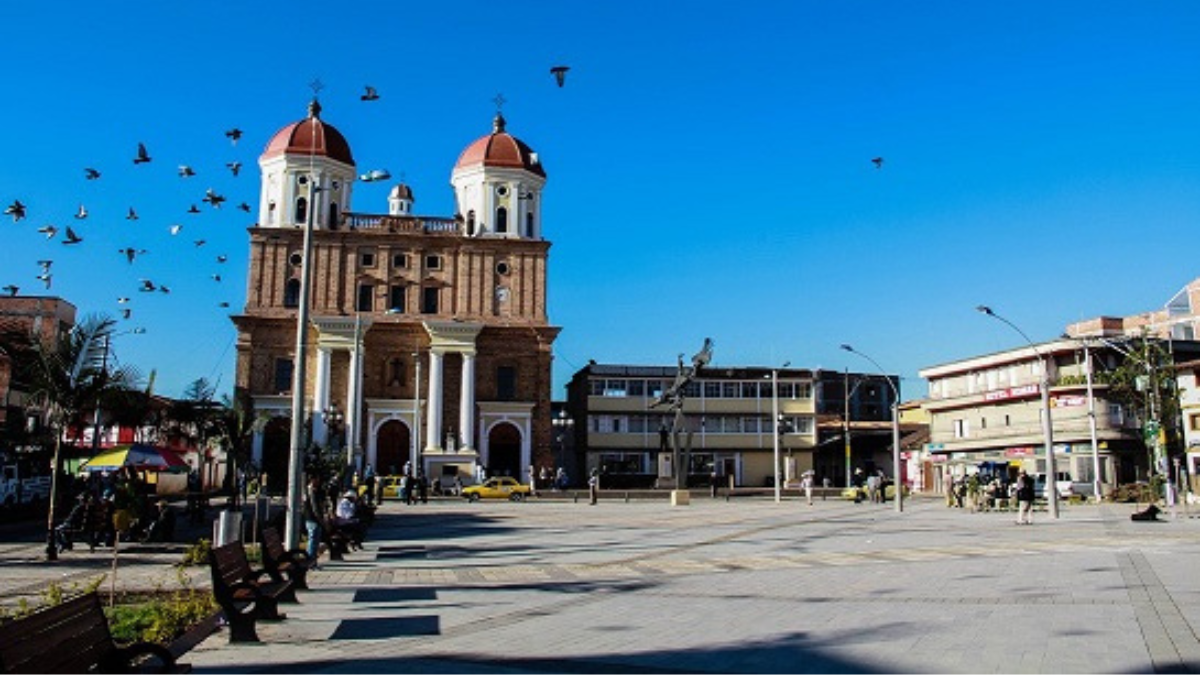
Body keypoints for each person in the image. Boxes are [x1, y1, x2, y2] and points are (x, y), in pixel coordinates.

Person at [303, 474, 326, 568]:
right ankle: (310, 561)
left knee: (315, 541)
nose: (318, 481)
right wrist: (320, 518)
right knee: (313, 540)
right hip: (312, 519)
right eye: (317, 479)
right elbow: (314, 507)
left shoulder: (313, 490)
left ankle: (312, 560)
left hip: (313, 519)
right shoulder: (310, 491)